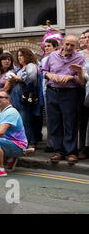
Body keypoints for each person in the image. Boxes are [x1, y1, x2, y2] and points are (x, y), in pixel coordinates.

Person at [41, 35, 85, 164]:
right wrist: (49, 74)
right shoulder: (52, 56)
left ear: (76, 46)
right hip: (52, 91)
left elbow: (82, 81)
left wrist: (72, 78)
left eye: (72, 45)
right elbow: (43, 70)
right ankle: (58, 151)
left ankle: (71, 152)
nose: (69, 47)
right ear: (62, 44)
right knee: (55, 123)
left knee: (70, 122)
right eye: (67, 44)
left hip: (70, 93)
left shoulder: (80, 58)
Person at [9, 48, 42, 149]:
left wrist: (16, 78)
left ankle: (31, 142)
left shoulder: (31, 66)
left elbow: (31, 78)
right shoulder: (21, 68)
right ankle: (23, 142)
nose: (19, 58)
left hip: (24, 100)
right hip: (17, 99)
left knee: (25, 121)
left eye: (21, 55)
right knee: (20, 122)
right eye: (18, 56)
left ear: (27, 56)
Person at [40, 38, 60, 152]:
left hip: (56, 89)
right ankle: (50, 143)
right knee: (49, 119)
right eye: (45, 46)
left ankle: (57, 143)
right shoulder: (44, 59)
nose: (46, 48)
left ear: (55, 47)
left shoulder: (58, 58)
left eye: (49, 46)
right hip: (46, 90)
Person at [77, 30, 89, 160]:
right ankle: (83, 149)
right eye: (85, 37)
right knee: (83, 121)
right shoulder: (80, 55)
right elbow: (80, 79)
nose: (86, 39)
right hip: (82, 91)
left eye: (88, 37)